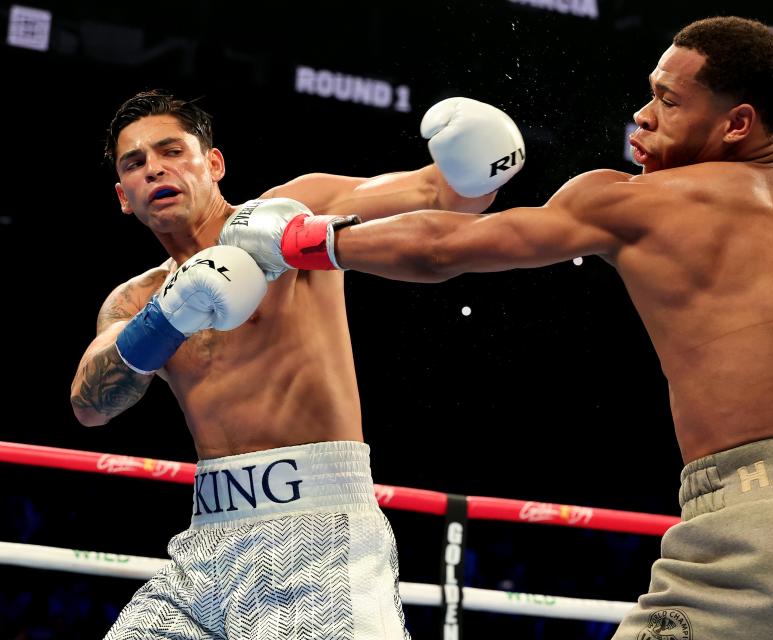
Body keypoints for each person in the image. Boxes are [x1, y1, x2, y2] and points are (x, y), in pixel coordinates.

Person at [222, 16, 773, 638]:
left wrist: (301, 243)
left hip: (756, 532)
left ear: (736, 123)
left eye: (669, 103)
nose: (641, 117)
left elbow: (446, 247)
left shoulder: (633, 205)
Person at [69, 90, 525, 639]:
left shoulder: (292, 213)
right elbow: (91, 406)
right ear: (124, 196)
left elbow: (444, 193)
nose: (155, 169)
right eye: (135, 163)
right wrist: (167, 317)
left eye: (171, 151)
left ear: (213, 164)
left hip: (320, 531)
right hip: (203, 546)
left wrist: (478, 156)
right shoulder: (137, 299)